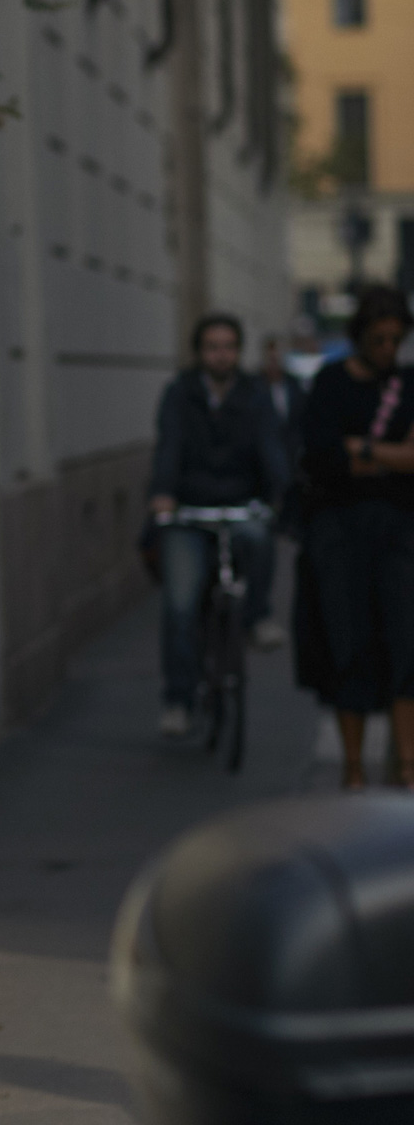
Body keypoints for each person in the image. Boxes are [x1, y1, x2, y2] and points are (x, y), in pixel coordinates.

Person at [147, 312, 290, 738]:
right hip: (189, 510)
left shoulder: (254, 393)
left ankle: (257, 617)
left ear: (238, 351)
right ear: (199, 352)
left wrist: (278, 490)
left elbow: (271, 446)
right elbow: (169, 445)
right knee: (180, 605)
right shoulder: (180, 393)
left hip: (239, 503)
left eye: (228, 347)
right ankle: (178, 700)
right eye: (213, 347)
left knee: (259, 538)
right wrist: (163, 494)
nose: (221, 355)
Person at [300, 284, 414, 790]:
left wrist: (362, 450)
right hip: (340, 534)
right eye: (379, 339)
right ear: (361, 336)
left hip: (400, 531)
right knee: (349, 643)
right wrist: (391, 455)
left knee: (407, 642)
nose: (388, 349)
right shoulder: (331, 382)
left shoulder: (408, 384)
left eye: (396, 339)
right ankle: (353, 768)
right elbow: (322, 458)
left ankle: (407, 765)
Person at [260, 334, 308, 471]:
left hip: (292, 455)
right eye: (271, 357)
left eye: (278, 356)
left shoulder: (295, 384)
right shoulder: (254, 386)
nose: (274, 360)